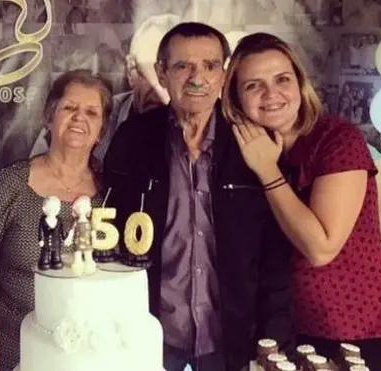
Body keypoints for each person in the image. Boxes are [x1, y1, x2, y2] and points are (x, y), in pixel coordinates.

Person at [102, 23, 294, 371]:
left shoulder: (253, 143)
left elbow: (275, 252)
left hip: (235, 337)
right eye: (182, 66)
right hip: (152, 334)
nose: (197, 78)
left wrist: (273, 336)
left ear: (223, 75)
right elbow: (112, 239)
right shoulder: (132, 139)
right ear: (162, 73)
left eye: (209, 66)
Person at [221, 32, 381, 371]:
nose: (271, 94)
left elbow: (321, 248)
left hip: (348, 328)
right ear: (235, 98)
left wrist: (267, 170)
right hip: (274, 326)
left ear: (300, 84)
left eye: (282, 79)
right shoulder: (237, 148)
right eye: (253, 85)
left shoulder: (336, 140)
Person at [0, 69, 112, 371]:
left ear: (102, 130)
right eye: (69, 108)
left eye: (92, 112)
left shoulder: (112, 191)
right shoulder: (12, 183)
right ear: (48, 117)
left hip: (88, 358)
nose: (80, 118)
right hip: (14, 353)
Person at [29, 14, 181, 161]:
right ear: (129, 71)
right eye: (146, 72)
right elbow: (33, 176)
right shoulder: (94, 113)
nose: (158, 87)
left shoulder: (199, 131)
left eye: (169, 72)